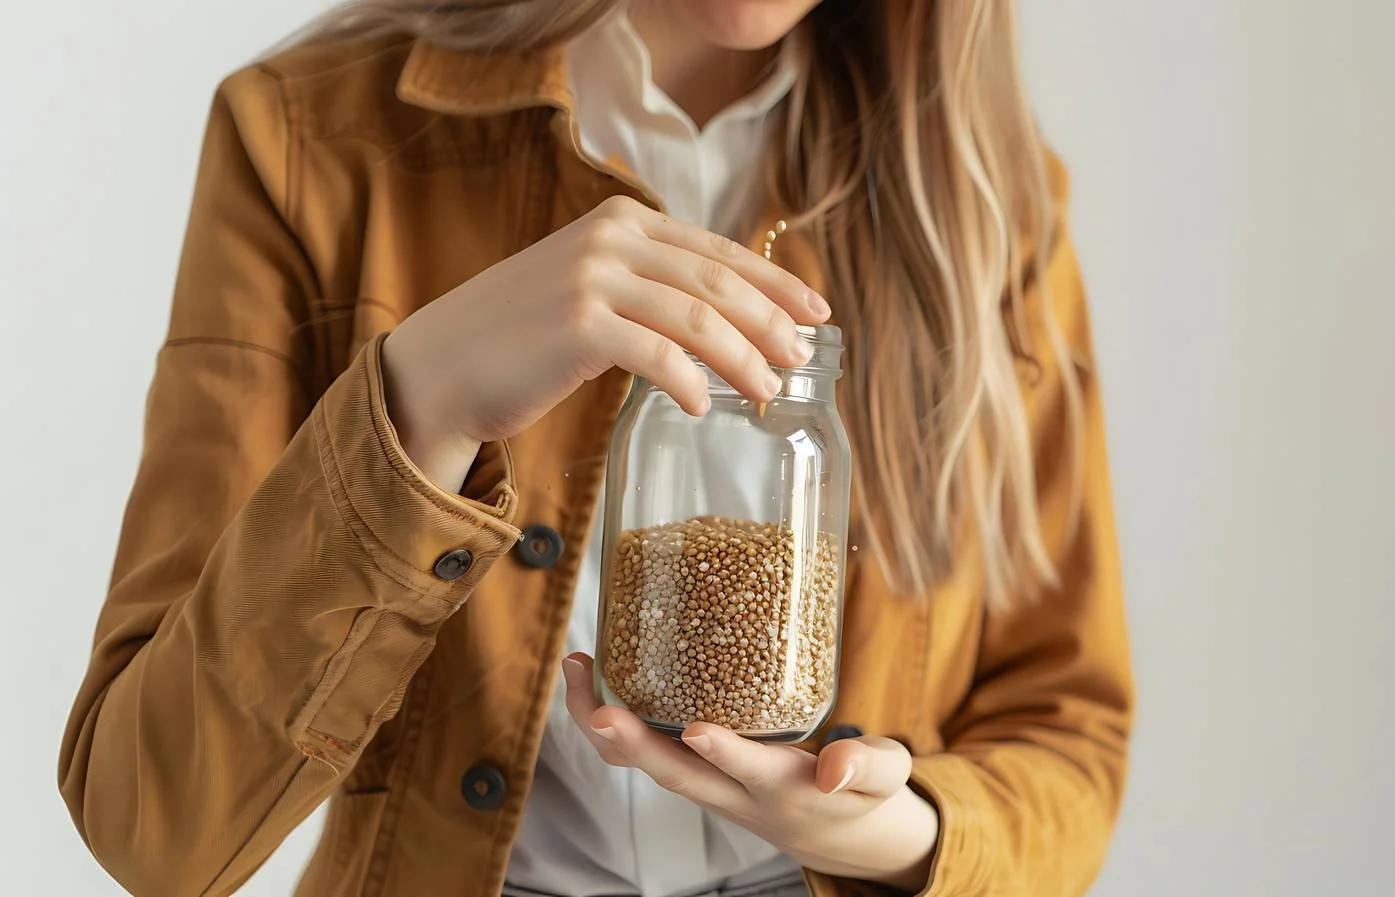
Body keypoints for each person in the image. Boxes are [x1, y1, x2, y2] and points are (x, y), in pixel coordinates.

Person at [58, 1, 1134, 895]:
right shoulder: (307, 137)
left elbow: (1066, 738)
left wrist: (899, 836)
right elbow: (152, 829)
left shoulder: (984, 202)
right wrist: (418, 404)